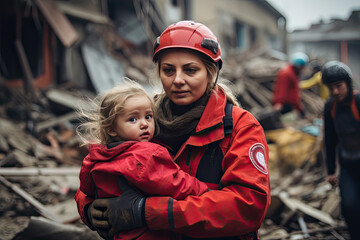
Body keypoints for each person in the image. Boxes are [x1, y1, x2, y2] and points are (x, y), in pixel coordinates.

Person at [75, 20, 271, 240]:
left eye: (190, 70)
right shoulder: (143, 119)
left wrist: (146, 212)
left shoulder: (239, 127)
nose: (178, 80)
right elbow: (101, 167)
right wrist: (90, 209)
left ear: (210, 73)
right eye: (169, 70)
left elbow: (248, 207)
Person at [76, 80, 210, 239]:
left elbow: (87, 189)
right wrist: (204, 190)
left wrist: (89, 210)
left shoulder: (96, 156)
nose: (144, 124)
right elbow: (176, 184)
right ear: (111, 129)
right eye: (133, 119)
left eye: (148, 116)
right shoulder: (145, 155)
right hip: (149, 233)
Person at [322, 61, 360, 240]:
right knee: (349, 207)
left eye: (338, 86)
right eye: (331, 88)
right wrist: (330, 171)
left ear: (347, 83)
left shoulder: (358, 102)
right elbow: (330, 140)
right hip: (348, 167)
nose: (335, 91)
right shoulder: (330, 107)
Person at [272, 52, 309, 116]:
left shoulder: (293, 73)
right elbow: (282, 89)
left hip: (290, 106)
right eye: (302, 67)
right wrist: (279, 103)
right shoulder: (286, 73)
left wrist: (299, 108)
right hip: (284, 106)